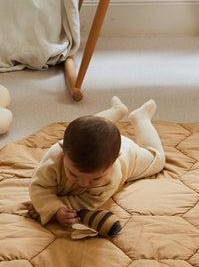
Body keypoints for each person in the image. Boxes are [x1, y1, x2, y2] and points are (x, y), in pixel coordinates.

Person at [27, 97, 165, 237]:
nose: (83, 183)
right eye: (74, 174)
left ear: (112, 165)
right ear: (63, 153)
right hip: (93, 144)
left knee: (157, 159)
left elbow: (87, 202)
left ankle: (141, 117)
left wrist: (53, 208)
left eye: (95, 179)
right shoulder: (54, 158)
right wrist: (48, 205)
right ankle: (117, 111)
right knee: (89, 127)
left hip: (128, 155)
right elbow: (38, 186)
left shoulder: (112, 176)